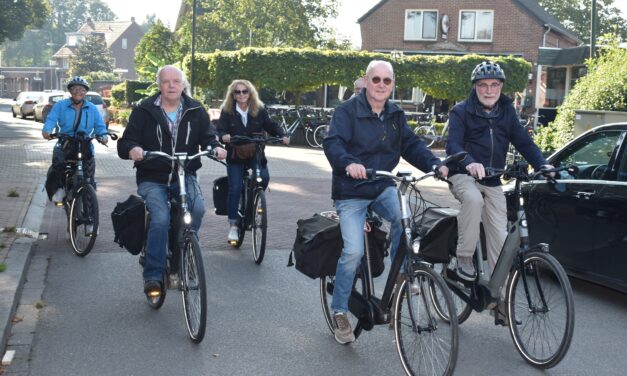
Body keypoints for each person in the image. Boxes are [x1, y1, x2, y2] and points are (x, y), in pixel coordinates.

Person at [323, 60, 448, 344]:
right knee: (354, 251)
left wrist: (434, 164)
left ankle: (403, 277)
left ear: (393, 84)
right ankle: (339, 310)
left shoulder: (395, 114)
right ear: (366, 82)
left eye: (386, 81)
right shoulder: (347, 111)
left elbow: (412, 144)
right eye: (375, 80)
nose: (381, 85)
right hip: (351, 189)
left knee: (406, 223)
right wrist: (348, 163)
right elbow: (333, 144)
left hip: (380, 185)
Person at [117, 65, 226, 298]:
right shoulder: (144, 110)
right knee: (161, 218)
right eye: (166, 81)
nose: (171, 85)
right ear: (159, 85)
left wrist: (215, 147)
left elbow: (208, 136)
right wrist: (133, 149)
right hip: (152, 177)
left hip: (185, 174)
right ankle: (153, 275)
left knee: (196, 210)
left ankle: (183, 255)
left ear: (183, 84)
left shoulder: (196, 109)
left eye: (176, 81)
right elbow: (125, 142)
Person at [445, 61, 551, 283]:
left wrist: (543, 164)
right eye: (483, 85)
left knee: (500, 241)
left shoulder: (507, 112)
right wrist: (469, 162)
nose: (489, 90)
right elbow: (453, 145)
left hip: (492, 179)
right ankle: (463, 257)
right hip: (463, 175)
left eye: (494, 84)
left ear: (501, 86)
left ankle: (499, 300)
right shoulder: (461, 111)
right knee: (474, 200)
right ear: (475, 87)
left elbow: (524, 142)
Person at [216, 79, 289, 243]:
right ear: (233, 95)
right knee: (235, 188)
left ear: (250, 93)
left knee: (264, 177)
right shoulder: (227, 111)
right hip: (235, 154)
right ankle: (233, 225)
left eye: (245, 91)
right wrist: (223, 136)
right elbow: (220, 128)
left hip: (255, 152)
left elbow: (270, 125)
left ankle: (255, 198)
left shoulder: (259, 109)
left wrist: (282, 135)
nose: (241, 94)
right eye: (237, 92)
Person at [42, 76, 108, 204]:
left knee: (88, 174)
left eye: (82, 89)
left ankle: (89, 201)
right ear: (70, 91)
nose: (78, 91)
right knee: (58, 163)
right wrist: (47, 131)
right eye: (75, 88)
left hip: (85, 144)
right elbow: (51, 119)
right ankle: (60, 187)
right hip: (65, 142)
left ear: (86, 92)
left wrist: (103, 135)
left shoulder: (92, 108)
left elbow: (100, 125)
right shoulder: (60, 105)